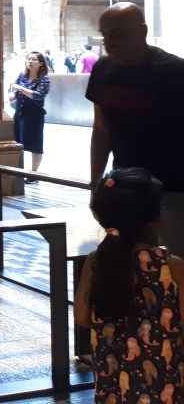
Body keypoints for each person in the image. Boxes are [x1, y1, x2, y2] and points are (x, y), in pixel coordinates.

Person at [73, 167, 184, 403]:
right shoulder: (172, 267)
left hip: (113, 389)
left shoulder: (96, 261)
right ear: (154, 220)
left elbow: (82, 317)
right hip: (167, 389)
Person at [86, 2, 184, 254]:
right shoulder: (102, 70)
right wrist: (96, 184)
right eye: (105, 35)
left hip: (173, 188)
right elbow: (101, 128)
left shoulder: (174, 72)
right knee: (130, 260)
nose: (109, 42)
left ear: (142, 31)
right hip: (126, 188)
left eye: (118, 34)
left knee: (177, 261)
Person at [8, 51, 50, 180]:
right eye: (28, 59)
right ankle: (18, 170)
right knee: (17, 141)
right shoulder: (22, 75)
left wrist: (20, 89)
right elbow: (12, 89)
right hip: (20, 113)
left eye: (34, 59)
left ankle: (33, 173)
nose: (30, 61)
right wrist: (12, 95)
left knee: (35, 144)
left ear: (41, 63)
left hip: (34, 115)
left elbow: (37, 95)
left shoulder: (44, 79)